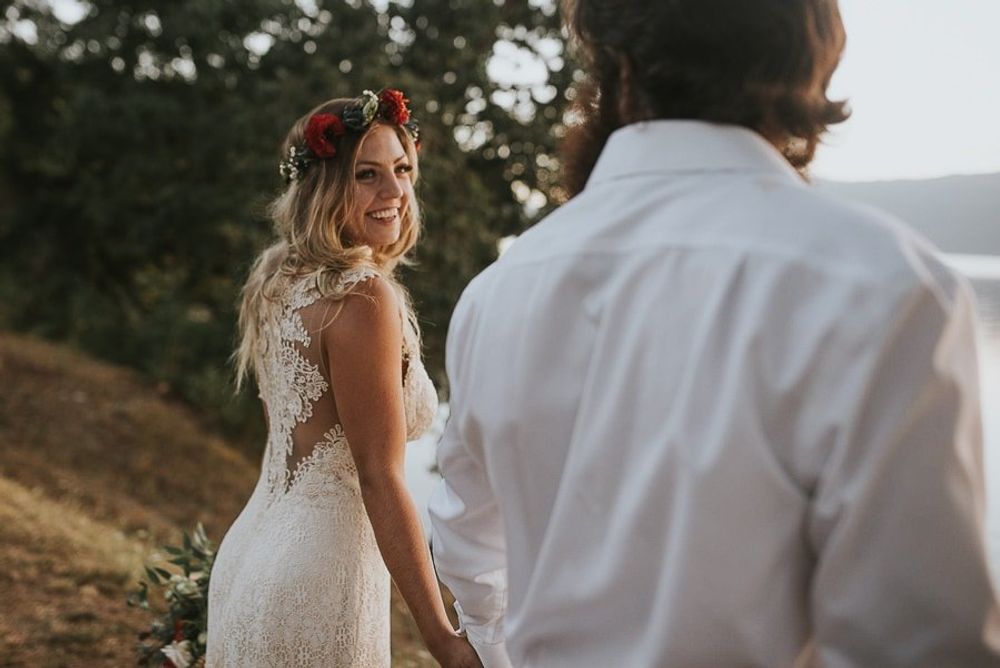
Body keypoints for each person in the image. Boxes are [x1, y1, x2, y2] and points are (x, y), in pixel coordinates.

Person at [428, 1, 1000, 666]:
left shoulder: (499, 292)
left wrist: (499, 651)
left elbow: (467, 544)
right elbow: (917, 642)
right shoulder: (882, 286)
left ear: (618, 64)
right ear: (810, 63)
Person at [206, 89, 481, 668]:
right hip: (321, 575)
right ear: (323, 186)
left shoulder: (276, 278)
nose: (395, 193)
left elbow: (289, 444)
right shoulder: (362, 296)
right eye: (367, 175)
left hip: (250, 557)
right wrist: (443, 640)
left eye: (403, 170)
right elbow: (379, 478)